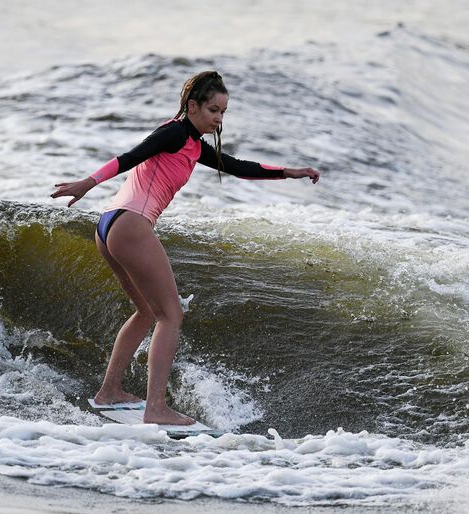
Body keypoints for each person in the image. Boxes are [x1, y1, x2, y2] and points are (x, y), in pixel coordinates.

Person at [51, 71, 320, 425]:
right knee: (170, 315)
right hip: (131, 223)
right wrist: (87, 182)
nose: (219, 119)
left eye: (223, 112)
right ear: (192, 106)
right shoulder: (175, 132)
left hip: (111, 225)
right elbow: (129, 157)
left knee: (148, 311)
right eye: (213, 110)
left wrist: (288, 172)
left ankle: (110, 391)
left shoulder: (193, 143)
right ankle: (156, 409)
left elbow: (237, 167)